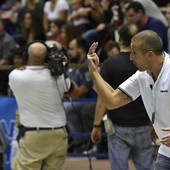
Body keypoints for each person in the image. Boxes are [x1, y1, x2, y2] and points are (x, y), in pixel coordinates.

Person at [87, 30, 170, 170]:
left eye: (134, 53)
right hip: (166, 153)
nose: (131, 57)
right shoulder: (141, 76)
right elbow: (112, 101)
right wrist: (94, 73)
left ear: (149, 55)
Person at [8, 40, 78, 169]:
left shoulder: (16, 76)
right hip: (58, 133)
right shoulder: (59, 77)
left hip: (33, 134)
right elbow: (74, 92)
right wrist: (63, 69)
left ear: (26, 56)